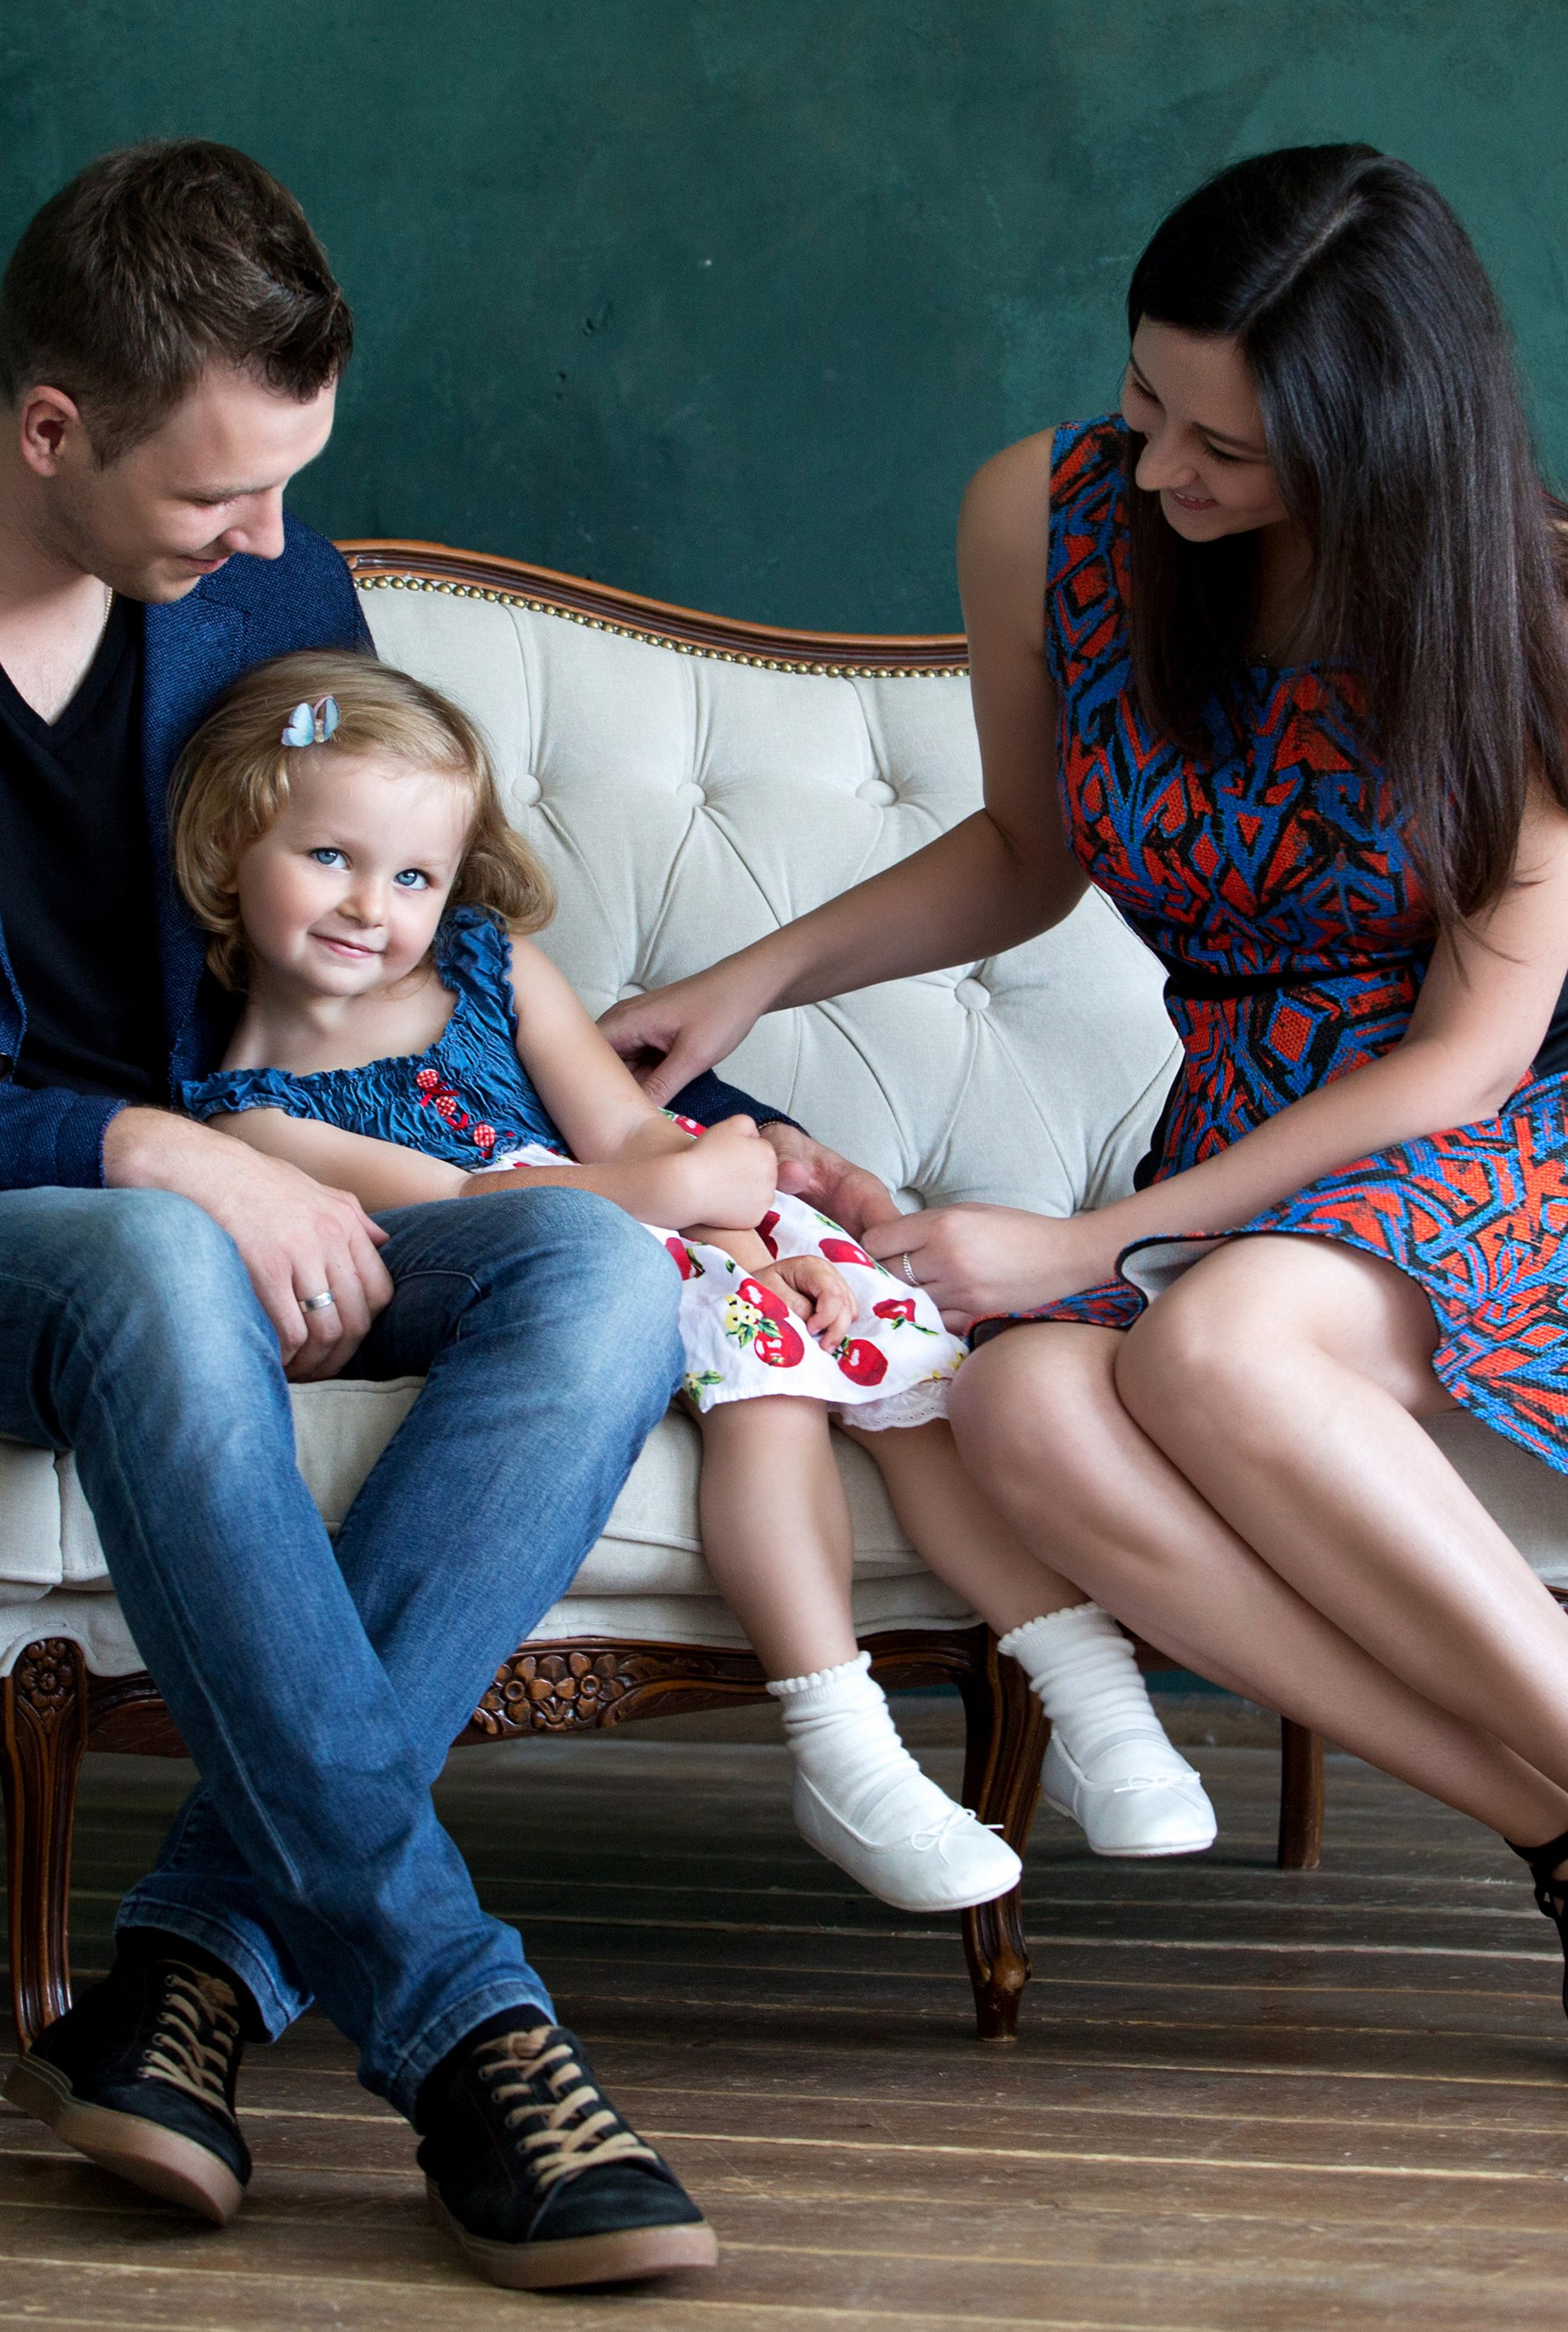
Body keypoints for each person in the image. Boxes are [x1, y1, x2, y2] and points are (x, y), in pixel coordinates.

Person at [601, 143, 1568, 2091]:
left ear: (1381, 447)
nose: (1161, 475)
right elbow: (1024, 854)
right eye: (1149, 403)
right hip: (1252, 1149)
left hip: (1516, 1137)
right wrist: (750, 978)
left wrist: (1097, 1242)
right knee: (1020, 1406)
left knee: (1218, 1339)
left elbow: (1464, 1065)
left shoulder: (1554, 624)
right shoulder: (1046, 513)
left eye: (1224, 448)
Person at [0, 137, 856, 2294]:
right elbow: (141, 1170)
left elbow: (431, 964)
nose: (276, 547)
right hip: (82, 1231)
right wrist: (146, 1146)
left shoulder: (270, 599)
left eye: (290, 485)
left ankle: (190, 1968)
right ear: (48, 427)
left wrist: (755, 1137)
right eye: (220, 498)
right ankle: (469, 2026)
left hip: (284, 1200)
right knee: (149, 1252)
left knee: (589, 1261)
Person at [163, 646, 1212, 1912]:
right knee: (764, 1392)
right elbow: (471, 1212)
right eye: (328, 857)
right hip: (562, 1274)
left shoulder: (493, 972)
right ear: (227, 850)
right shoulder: (249, 1123)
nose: (369, 906)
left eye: (413, 876)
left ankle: (1089, 1692)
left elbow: (629, 1132)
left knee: (913, 1386)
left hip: (689, 1227)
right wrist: (692, 1209)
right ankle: (843, 1746)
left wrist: (763, 1249)